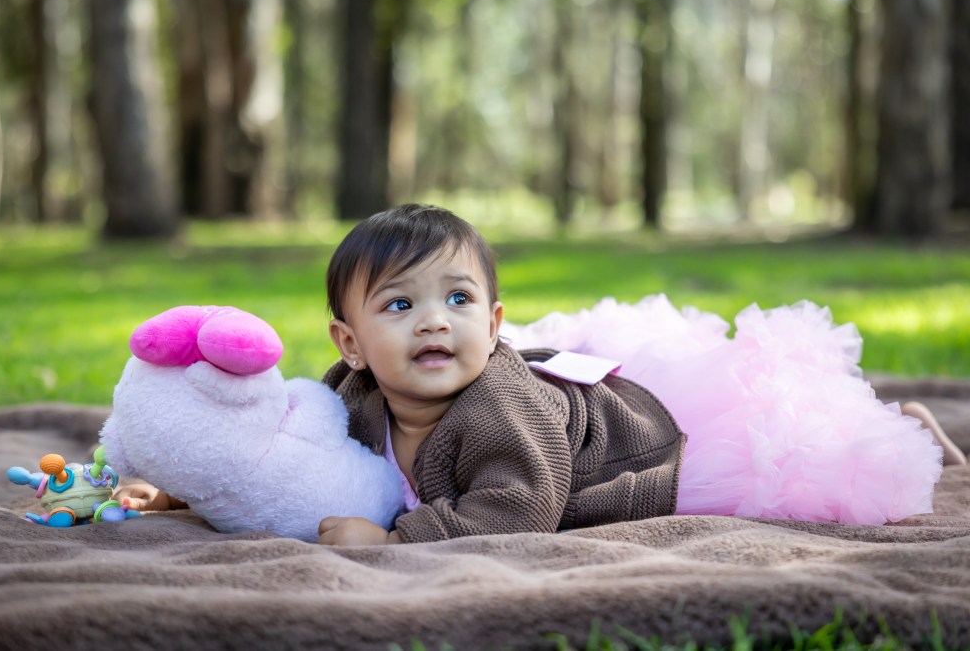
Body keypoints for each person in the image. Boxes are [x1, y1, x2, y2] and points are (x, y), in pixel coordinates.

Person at [117, 204, 964, 543]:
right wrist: (196, 490)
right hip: (560, 413)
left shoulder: (499, 410)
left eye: (457, 300)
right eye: (400, 306)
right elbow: (282, 447)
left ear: (494, 325)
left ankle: (898, 423)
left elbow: (519, 509)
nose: (435, 321)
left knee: (799, 452)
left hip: (638, 445)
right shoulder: (351, 392)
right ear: (350, 344)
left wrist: (397, 539)